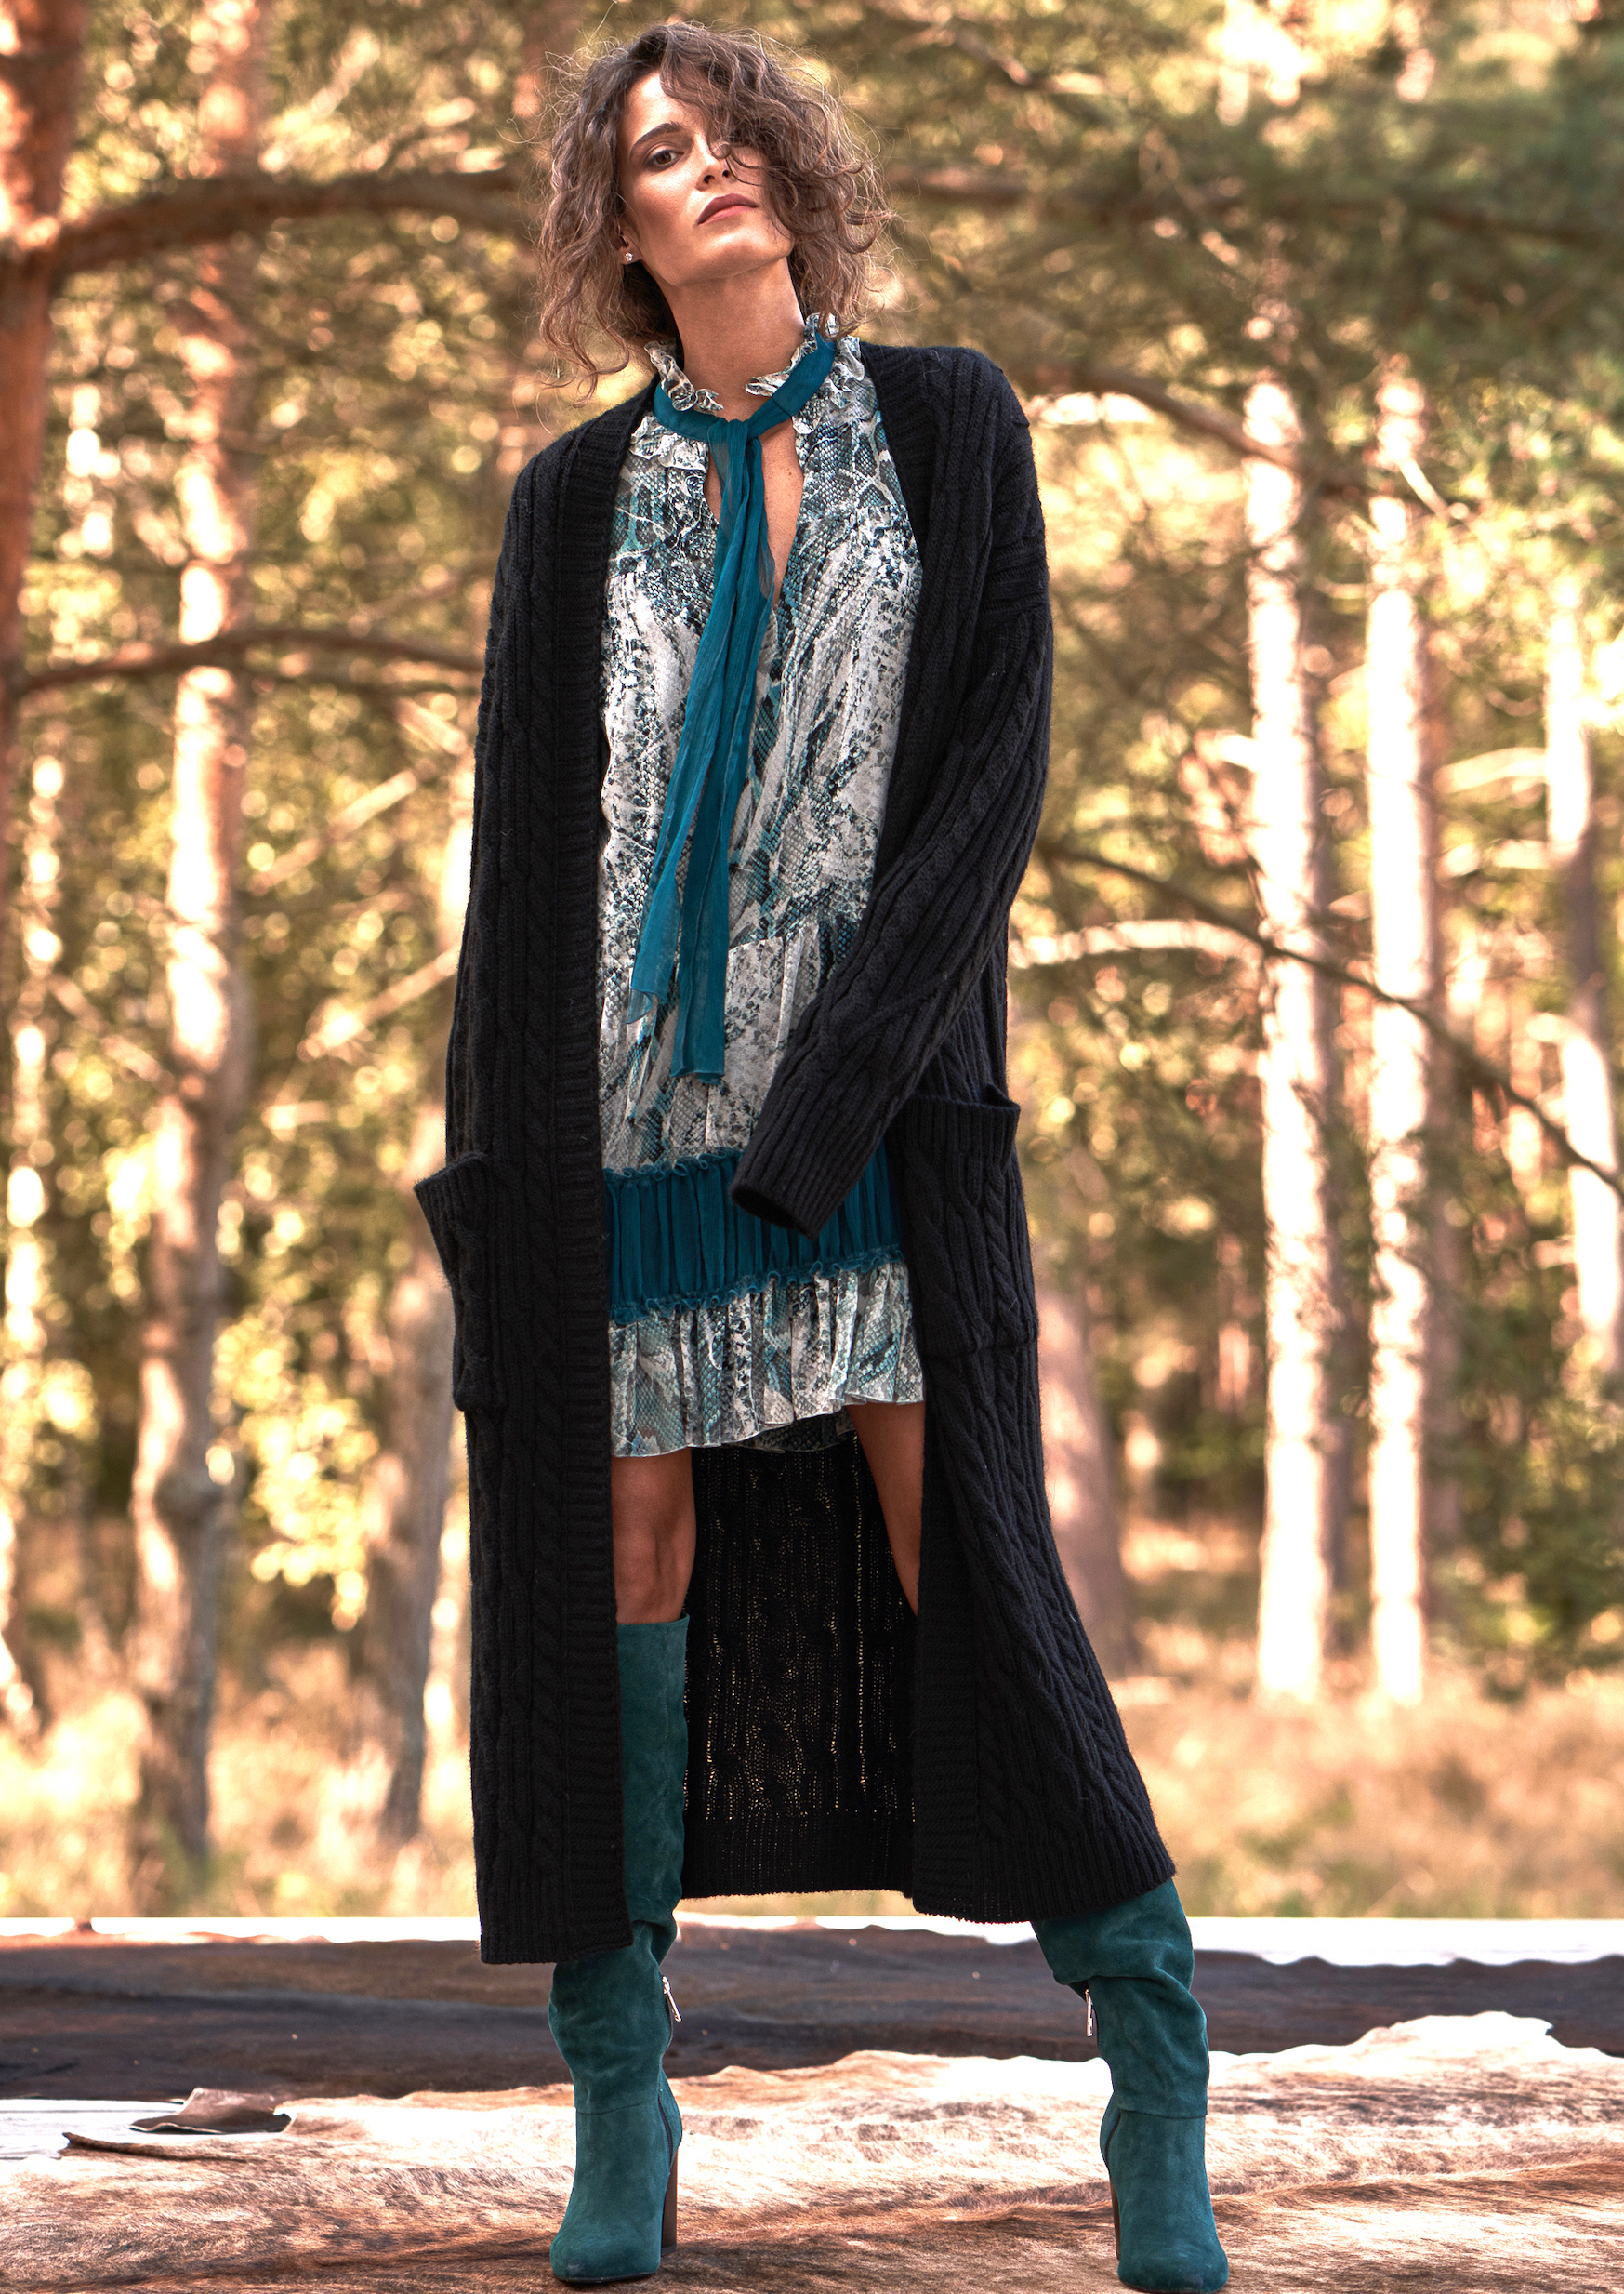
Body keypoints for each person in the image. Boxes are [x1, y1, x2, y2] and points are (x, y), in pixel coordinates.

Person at [416, 21, 1227, 2293]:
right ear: (620, 227)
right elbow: (526, 862)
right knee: (623, 1564)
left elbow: (989, 776)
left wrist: (856, 1075)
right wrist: (500, 1205)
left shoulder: (947, 422)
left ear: (793, 175)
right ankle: (621, 2095)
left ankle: (1152, 2050)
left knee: (968, 1555)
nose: (717, 167)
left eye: (739, 133)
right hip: (621, 1128)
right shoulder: (571, 501)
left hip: (863, 1115)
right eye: (664, 152)